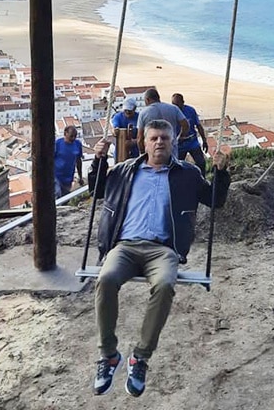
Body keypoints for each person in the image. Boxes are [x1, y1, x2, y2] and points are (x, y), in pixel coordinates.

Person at [88, 119, 230, 397]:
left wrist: (221, 172)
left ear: (173, 142)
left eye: (165, 138)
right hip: (125, 246)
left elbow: (216, 200)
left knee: (165, 285)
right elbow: (97, 190)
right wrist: (98, 160)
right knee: (105, 279)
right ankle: (109, 355)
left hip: (163, 249)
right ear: (144, 142)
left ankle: (140, 357)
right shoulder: (125, 171)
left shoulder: (187, 174)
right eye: (154, 138)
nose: (159, 143)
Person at [136, 87, 189, 158]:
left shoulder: (144, 113)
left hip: (153, 151)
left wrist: (142, 154)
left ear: (147, 99)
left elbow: (140, 138)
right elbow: (185, 125)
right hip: (171, 148)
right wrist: (180, 137)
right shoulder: (173, 108)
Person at [171, 92, 209, 176]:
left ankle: (202, 180)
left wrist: (204, 140)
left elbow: (198, 125)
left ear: (183, 102)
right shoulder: (170, 112)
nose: (176, 107)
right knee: (177, 167)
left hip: (192, 142)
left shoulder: (190, 110)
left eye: (177, 104)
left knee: (201, 163)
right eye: (173, 104)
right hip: (179, 144)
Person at [53, 124, 83, 198]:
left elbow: (78, 161)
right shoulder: (57, 144)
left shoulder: (78, 144)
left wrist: (80, 176)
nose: (73, 138)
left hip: (68, 178)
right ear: (65, 133)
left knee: (65, 198)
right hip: (56, 176)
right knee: (57, 194)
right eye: (71, 136)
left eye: (75, 136)